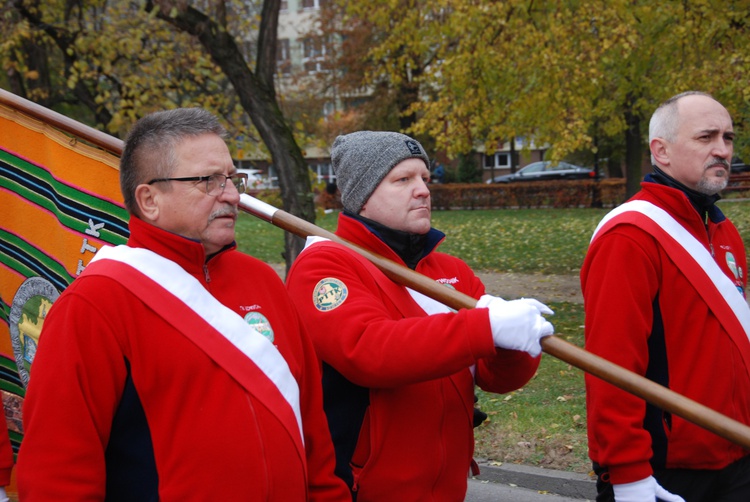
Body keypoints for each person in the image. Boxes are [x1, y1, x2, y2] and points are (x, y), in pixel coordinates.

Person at [16, 108, 349, 500]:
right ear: (149, 199)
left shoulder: (263, 281)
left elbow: (313, 432)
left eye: (232, 178)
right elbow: (58, 474)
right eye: (208, 181)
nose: (231, 194)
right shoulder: (93, 305)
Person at [285, 130, 555, 500]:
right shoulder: (324, 266)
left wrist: (515, 344)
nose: (424, 190)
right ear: (363, 197)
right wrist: (485, 326)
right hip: (368, 489)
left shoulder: (451, 270)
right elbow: (370, 351)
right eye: (403, 179)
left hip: (448, 487)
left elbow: (495, 377)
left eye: (425, 178)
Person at [581, 91, 750, 502]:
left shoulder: (722, 230)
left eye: (728, 138)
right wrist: (627, 472)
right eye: (706, 137)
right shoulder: (630, 237)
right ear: (662, 151)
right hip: (667, 469)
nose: (722, 150)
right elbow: (611, 366)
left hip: (737, 458)